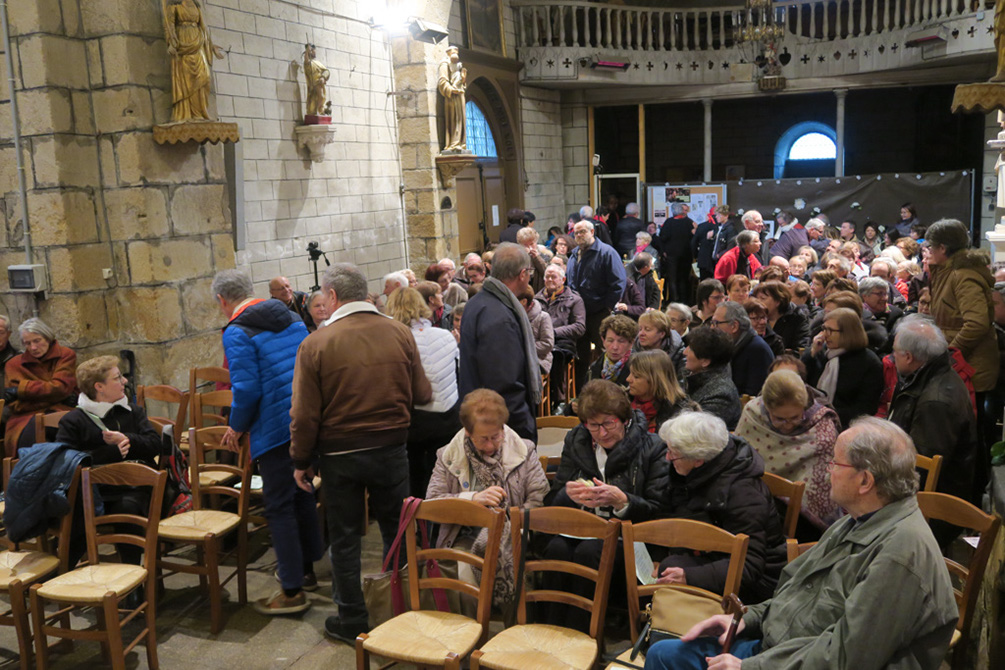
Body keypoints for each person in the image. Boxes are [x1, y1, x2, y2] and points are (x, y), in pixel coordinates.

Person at [644, 418, 958, 670]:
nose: (826, 472)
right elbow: (793, 592)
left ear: (865, 481)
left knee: (665, 657)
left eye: (835, 464)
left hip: (791, 658)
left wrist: (751, 666)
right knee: (665, 653)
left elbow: (847, 659)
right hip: (780, 647)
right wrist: (745, 620)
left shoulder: (900, 554)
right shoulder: (858, 519)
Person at [289, 263, 432, 644]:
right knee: (395, 531)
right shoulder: (399, 332)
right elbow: (423, 394)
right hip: (390, 449)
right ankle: (398, 611)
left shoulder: (316, 343)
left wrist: (300, 460)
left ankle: (352, 617)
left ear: (331, 296)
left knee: (346, 537)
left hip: (340, 456)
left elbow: (304, 415)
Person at [209, 270, 323, 615]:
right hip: (303, 420)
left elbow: (246, 389)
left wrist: (236, 426)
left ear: (221, 301)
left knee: (278, 506)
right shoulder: (290, 315)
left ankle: (290, 591)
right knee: (302, 491)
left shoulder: (237, 330)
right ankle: (306, 571)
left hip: (273, 429)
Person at [544, 379, 668, 629]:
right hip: (582, 529)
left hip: (629, 537)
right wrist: (568, 494)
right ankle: (551, 630)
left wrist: (623, 501)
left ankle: (584, 634)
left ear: (625, 419)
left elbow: (660, 509)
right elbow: (553, 501)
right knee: (555, 548)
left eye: (609, 424)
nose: (602, 433)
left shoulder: (652, 447)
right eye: (593, 426)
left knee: (590, 553)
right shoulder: (576, 441)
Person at [426, 389, 549, 608]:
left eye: (496, 436)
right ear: (467, 433)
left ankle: (511, 634)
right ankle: (474, 636)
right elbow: (433, 504)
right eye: (483, 439)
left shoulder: (524, 450)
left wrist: (511, 524)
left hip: (513, 533)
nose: (491, 446)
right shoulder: (448, 456)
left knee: (515, 570)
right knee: (466, 581)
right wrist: (472, 499)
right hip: (464, 536)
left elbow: (539, 499)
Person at [654, 411, 787, 604]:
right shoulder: (690, 472)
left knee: (669, 569)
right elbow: (672, 513)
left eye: (673, 454)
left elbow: (749, 566)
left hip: (756, 583)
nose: (667, 458)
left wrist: (689, 576)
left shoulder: (743, 493)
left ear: (698, 460)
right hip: (709, 556)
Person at [54, 355, 161, 567]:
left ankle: (134, 581)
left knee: (127, 509)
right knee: (76, 510)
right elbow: (63, 462)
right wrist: (108, 454)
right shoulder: (73, 420)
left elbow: (156, 444)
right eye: (117, 378)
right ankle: (63, 574)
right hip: (94, 492)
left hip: (133, 487)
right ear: (99, 387)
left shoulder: (133, 411)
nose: (125, 382)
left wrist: (129, 439)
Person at [736, 370, 842, 526]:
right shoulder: (753, 415)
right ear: (767, 408)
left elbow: (822, 489)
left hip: (805, 523)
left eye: (795, 418)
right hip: (754, 505)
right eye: (779, 419)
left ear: (804, 407)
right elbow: (739, 465)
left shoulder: (823, 428)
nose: (788, 425)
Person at [889, 316, 976, 506]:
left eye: (895, 351)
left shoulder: (935, 401)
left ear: (909, 357)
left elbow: (922, 469)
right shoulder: (931, 374)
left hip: (934, 506)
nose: (892, 356)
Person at [459, 243, 542, 442]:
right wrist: (526, 430)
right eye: (530, 272)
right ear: (523, 274)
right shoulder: (499, 317)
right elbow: (505, 383)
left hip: (480, 419)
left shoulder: (478, 301)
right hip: (499, 429)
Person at [386, 287, 461, 500]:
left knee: (415, 477)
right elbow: (456, 374)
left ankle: (419, 527)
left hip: (414, 421)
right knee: (444, 475)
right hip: (448, 419)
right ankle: (446, 524)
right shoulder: (446, 336)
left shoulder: (394, 342)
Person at [567, 219, 627, 391]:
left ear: (592, 232)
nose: (579, 235)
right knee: (580, 356)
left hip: (598, 312)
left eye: (582, 232)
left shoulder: (606, 253)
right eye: (576, 232)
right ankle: (581, 393)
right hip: (577, 314)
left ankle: (610, 390)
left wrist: (607, 307)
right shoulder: (574, 254)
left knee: (606, 353)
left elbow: (618, 283)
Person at [4, 318, 77, 456]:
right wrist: (56, 397)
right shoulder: (14, 364)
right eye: (27, 343)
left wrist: (22, 390)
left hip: (62, 412)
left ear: (47, 338)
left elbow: (60, 387)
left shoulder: (65, 355)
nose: (33, 348)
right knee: (31, 438)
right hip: (23, 418)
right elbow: (15, 405)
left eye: (37, 341)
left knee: (67, 431)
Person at [803, 307, 884, 427]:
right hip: (810, 419)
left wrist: (826, 415)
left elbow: (865, 409)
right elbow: (801, 381)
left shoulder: (869, 362)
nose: (825, 335)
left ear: (847, 333)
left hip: (846, 425)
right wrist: (812, 353)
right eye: (824, 328)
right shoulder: (821, 352)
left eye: (830, 330)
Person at [164, 0, 224, 122]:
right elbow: (169, 26)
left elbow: (203, 27)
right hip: (182, 43)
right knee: (188, 78)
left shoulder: (196, 6)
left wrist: (211, 46)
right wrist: (170, 43)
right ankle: (188, 113)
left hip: (198, 43)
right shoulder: (175, 6)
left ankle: (202, 111)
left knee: (205, 77)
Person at [683, 326, 741, 430]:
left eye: (690, 349)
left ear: (705, 361)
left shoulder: (721, 394)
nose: (685, 352)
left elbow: (696, 431)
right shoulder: (690, 376)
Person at [713, 301, 774, 396]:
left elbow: (754, 394)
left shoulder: (757, 350)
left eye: (716, 323)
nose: (712, 328)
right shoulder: (728, 346)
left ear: (734, 326)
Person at [627, 350, 696, 432]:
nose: (628, 379)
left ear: (656, 380)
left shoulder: (680, 414)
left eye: (636, 376)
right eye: (630, 373)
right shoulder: (621, 401)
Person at [657, 201, 695, 303]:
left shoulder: (669, 222)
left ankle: (674, 300)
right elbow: (694, 237)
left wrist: (663, 251)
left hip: (671, 255)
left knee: (672, 278)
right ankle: (684, 300)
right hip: (686, 254)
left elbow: (662, 238)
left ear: (673, 212)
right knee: (684, 278)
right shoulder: (689, 222)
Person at [633, 309, 686, 379]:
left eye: (647, 329)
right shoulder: (635, 349)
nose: (641, 334)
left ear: (662, 334)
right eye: (640, 329)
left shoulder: (679, 353)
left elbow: (682, 384)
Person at [588, 314, 638, 388]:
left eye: (621, 341)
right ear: (603, 341)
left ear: (631, 343)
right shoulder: (594, 368)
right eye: (610, 341)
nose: (615, 347)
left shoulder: (639, 370)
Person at [518, 285, 555, 374]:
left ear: (524, 302)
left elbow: (547, 344)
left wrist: (523, 347)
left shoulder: (543, 317)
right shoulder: (513, 315)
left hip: (539, 360)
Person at [437, 45, 467, 152]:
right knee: (454, 118)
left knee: (461, 118)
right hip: (452, 95)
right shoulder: (445, 64)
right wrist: (451, 89)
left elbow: (461, 81)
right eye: (454, 53)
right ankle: (454, 143)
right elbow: (442, 81)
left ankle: (461, 142)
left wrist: (463, 80)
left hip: (460, 94)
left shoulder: (458, 65)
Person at [692, 205, 734, 280]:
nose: (717, 217)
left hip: (707, 259)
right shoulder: (720, 227)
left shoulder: (703, 226)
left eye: (719, 215)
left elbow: (693, 243)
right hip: (714, 259)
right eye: (716, 215)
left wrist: (696, 255)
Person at [516, 227, 548, 293]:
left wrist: (537, 257)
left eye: (531, 244)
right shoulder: (517, 257)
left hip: (540, 292)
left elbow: (546, 271)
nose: (530, 248)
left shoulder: (545, 254)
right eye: (525, 245)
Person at [302, 43, 330, 117]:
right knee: (313, 102)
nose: (315, 52)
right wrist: (307, 51)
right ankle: (316, 112)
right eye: (313, 51)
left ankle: (321, 110)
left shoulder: (317, 63)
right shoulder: (308, 62)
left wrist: (323, 77)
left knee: (322, 96)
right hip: (313, 84)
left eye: (314, 51)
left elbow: (326, 71)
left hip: (319, 83)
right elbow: (306, 60)